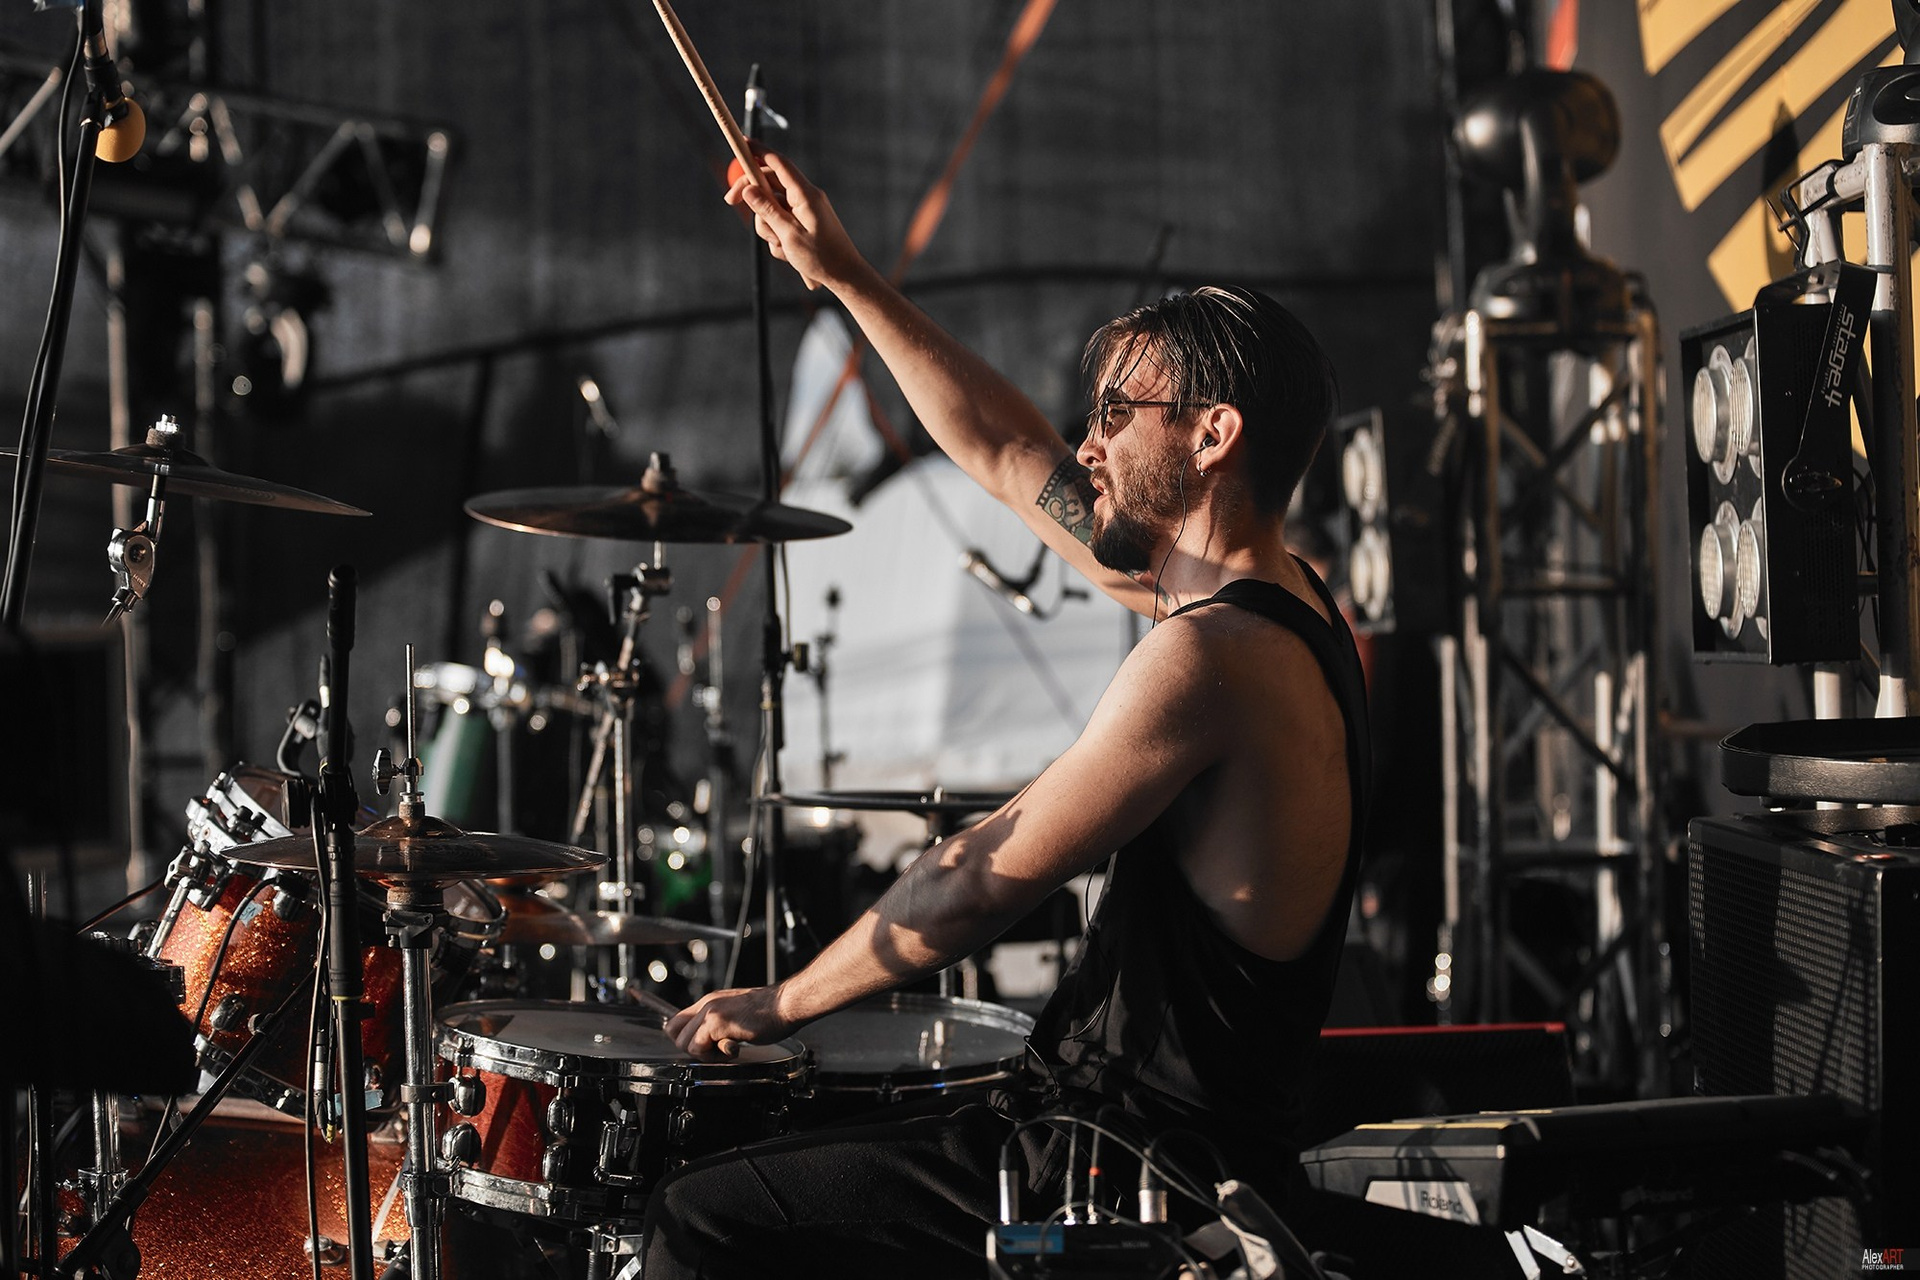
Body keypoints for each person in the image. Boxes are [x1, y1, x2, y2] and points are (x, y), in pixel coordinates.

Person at [643, 150, 1368, 1278]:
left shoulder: (1209, 657)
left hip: (1124, 1167)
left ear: (1212, 434)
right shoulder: (1280, 599)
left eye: (1117, 412)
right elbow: (1003, 451)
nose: (1090, 443)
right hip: (1127, 1139)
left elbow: (974, 881)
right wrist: (841, 274)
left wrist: (780, 1002)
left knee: (703, 1214)